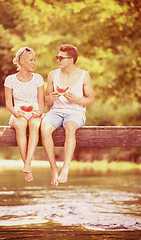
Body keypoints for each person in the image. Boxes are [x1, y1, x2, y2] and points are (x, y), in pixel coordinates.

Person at [41, 44, 95, 188]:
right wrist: (49, 99)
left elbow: (91, 100)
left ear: (71, 60)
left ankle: (66, 168)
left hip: (76, 112)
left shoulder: (84, 75)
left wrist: (76, 99)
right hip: (56, 111)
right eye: (57, 57)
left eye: (61, 58)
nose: (58, 60)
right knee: (45, 128)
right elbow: (47, 101)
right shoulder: (53, 74)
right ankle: (54, 169)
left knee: (70, 128)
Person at [4, 47, 44, 182]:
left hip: (35, 113)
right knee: (21, 124)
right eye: (31, 60)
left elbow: (41, 101)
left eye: (34, 60)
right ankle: (26, 164)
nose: (34, 62)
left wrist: (40, 112)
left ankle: (28, 164)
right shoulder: (10, 79)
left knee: (34, 124)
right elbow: (8, 103)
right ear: (21, 61)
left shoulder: (38, 78)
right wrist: (16, 112)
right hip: (17, 114)